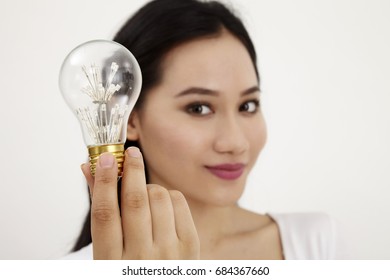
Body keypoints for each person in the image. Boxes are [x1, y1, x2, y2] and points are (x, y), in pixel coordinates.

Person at [64, 0, 341, 260]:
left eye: (247, 105)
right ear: (128, 117)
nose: (235, 142)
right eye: (199, 108)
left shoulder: (316, 244)